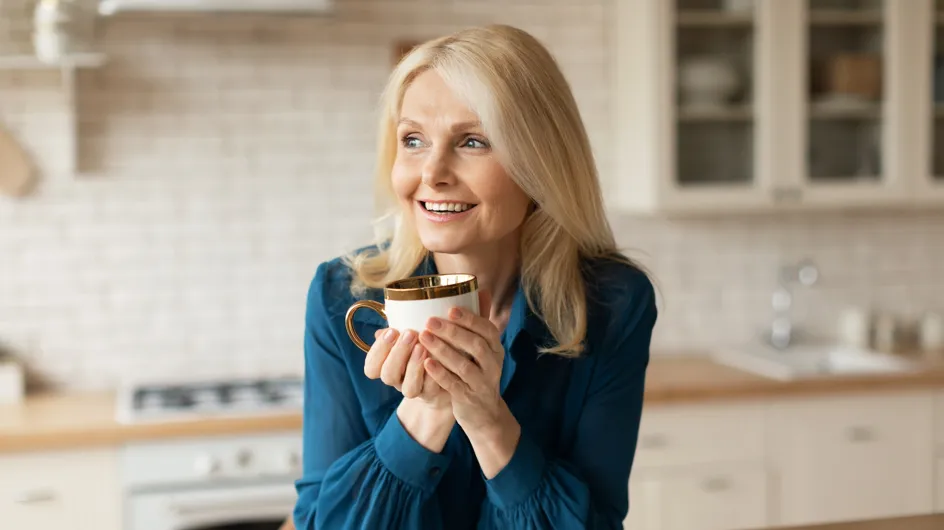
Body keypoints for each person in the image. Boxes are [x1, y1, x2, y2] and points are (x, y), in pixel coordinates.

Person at [292, 24, 658, 530]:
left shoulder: (613, 303)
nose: (433, 172)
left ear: (539, 163)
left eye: (473, 141)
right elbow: (319, 523)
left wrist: (486, 417)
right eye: (413, 139)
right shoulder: (340, 297)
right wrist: (425, 413)